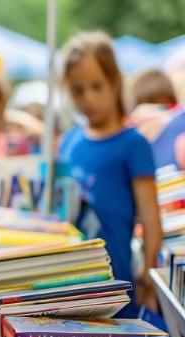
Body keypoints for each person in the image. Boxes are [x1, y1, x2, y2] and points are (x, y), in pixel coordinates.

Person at [58, 31, 162, 316]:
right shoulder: (68, 142)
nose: (88, 98)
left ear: (114, 82)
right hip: (68, 282)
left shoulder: (133, 144)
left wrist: (148, 275)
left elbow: (151, 217)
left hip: (117, 284)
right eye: (78, 90)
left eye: (96, 86)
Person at [127, 69, 182, 168]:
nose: (155, 114)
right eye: (148, 108)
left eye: (165, 107)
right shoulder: (131, 135)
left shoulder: (178, 122)